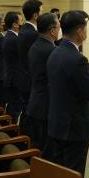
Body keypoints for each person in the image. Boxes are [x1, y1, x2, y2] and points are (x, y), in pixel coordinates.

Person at [46, 10, 89, 176]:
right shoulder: (78, 60)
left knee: (61, 174)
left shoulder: (55, 52)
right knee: (74, 175)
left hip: (57, 123)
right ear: (79, 31)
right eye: (86, 28)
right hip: (74, 128)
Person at [24, 12, 59, 151]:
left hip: (36, 102)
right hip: (46, 106)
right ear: (52, 30)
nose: (60, 30)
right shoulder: (51, 50)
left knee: (40, 146)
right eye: (58, 27)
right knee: (47, 150)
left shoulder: (36, 45)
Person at [17, 0, 43, 109]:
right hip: (30, 80)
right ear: (36, 15)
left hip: (24, 77)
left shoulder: (25, 29)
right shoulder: (32, 34)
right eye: (42, 12)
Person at [2, 11, 22, 119]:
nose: (22, 23)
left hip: (12, 76)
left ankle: (10, 125)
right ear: (15, 24)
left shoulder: (11, 36)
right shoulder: (13, 39)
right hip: (14, 78)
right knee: (15, 108)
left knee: (13, 106)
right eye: (21, 20)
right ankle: (11, 127)